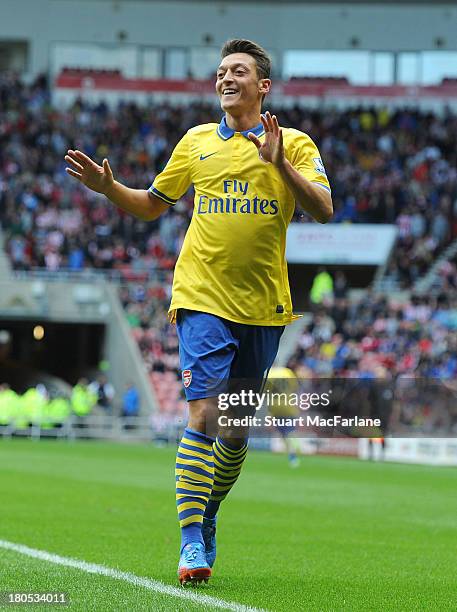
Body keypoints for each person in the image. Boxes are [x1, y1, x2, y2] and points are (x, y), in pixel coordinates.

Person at [65, 38, 332, 586]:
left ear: (263, 86)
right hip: (200, 295)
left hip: (263, 306)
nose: (226, 78)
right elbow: (148, 206)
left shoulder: (297, 144)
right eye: (221, 71)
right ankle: (190, 541)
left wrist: (279, 164)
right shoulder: (196, 142)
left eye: (239, 71)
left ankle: (206, 515)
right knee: (205, 416)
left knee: (236, 434)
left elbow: (324, 209)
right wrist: (107, 186)